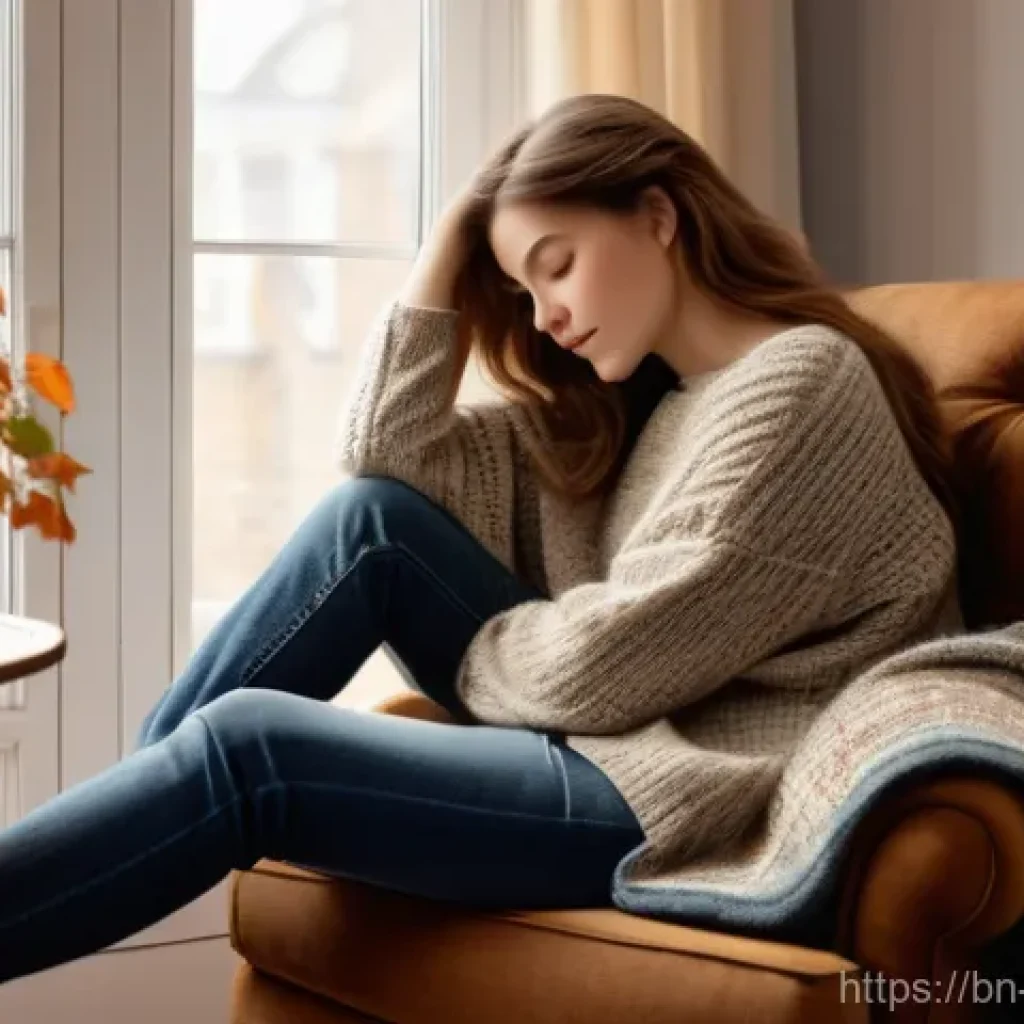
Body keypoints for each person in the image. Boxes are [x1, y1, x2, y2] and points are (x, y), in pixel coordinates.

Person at [0, 93, 961, 984]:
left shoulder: (802, 388)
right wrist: (452, 236)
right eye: (520, 287)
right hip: (608, 739)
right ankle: (157, 805)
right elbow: (385, 459)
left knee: (248, 746)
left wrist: (479, 652)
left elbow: (602, 673)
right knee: (366, 522)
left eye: (557, 264)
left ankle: (151, 813)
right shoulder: (652, 403)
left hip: (675, 795)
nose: (546, 316)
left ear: (659, 216)